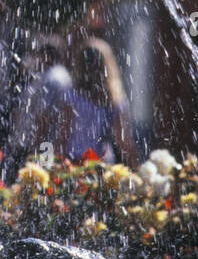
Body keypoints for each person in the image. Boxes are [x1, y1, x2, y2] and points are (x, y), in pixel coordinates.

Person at [58, 36, 137, 166]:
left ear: (80, 64)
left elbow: (63, 134)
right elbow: (123, 140)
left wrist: (53, 163)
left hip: (74, 162)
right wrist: (136, 166)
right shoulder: (114, 99)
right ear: (107, 65)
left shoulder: (71, 96)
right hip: (101, 163)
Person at [9, 38, 72, 164]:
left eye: (37, 54)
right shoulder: (62, 75)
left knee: (39, 178)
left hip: (44, 144)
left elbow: (43, 116)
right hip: (51, 143)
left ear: (44, 56)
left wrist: (36, 148)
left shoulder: (51, 78)